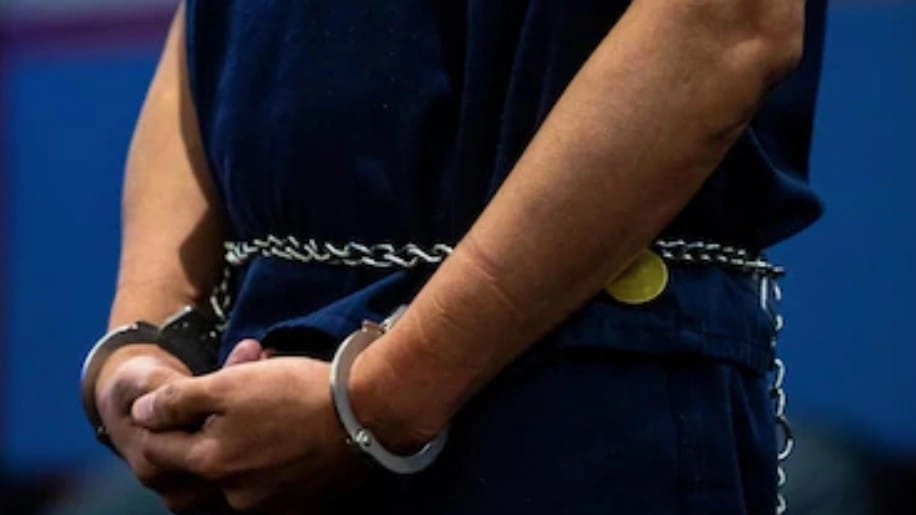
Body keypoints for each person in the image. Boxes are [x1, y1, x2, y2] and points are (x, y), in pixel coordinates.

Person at [81, 0, 827, 513]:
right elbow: (214, 25)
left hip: (576, 395)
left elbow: (727, 23)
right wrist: (146, 341)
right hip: (266, 409)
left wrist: (379, 400)